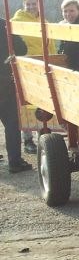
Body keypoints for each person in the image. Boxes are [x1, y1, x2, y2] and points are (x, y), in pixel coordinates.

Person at [10, 0, 55, 155]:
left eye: (33, 4)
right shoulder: (16, 21)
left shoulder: (44, 21)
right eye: (28, 4)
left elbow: (50, 43)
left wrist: (52, 60)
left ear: (39, 4)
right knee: (25, 101)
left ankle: (42, 132)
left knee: (42, 101)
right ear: (24, 4)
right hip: (26, 66)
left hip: (42, 64)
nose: (31, 7)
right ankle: (28, 139)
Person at [0, 18, 31, 173]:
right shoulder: (5, 25)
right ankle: (15, 162)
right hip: (5, 80)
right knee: (11, 123)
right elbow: (22, 48)